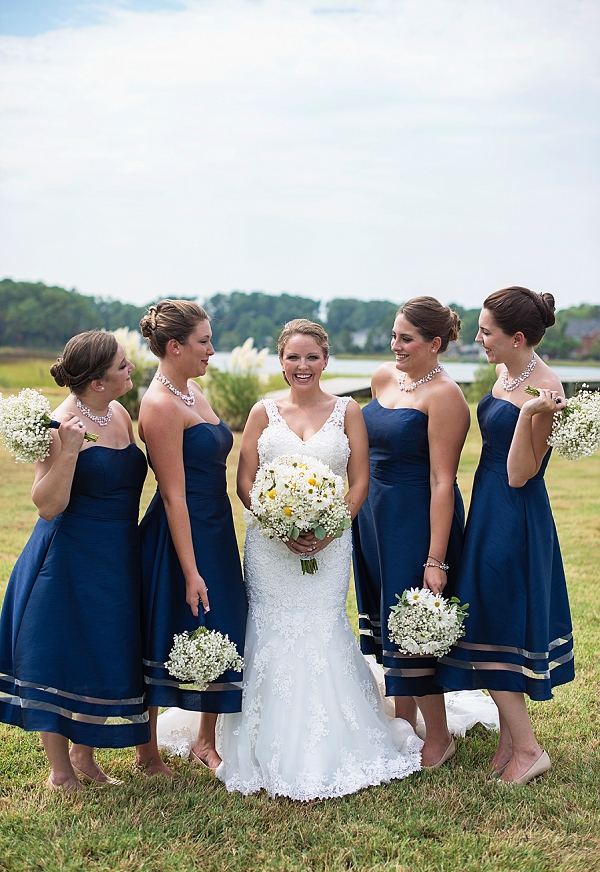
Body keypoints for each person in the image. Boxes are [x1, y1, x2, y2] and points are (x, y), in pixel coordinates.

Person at [212, 318, 422, 800]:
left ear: (325, 360)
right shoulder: (262, 411)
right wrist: (276, 522)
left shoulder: (348, 411)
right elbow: (245, 480)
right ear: (280, 360)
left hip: (331, 544)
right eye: (293, 357)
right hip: (270, 545)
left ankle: (337, 740)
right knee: (269, 625)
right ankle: (261, 738)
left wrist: (330, 527)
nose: (302, 366)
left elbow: (360, 481)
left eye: (311, 357)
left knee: (323, 623)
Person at [0, 331, 150, 791]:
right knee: (57, 651)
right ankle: (60, 771)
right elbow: (46, 504)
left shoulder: (119, 411)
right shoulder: (62, 421)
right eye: (122, 366)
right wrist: (66, 452)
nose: (130, 370)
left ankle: (84, 756)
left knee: (105, 647)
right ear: (97, 381)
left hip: (119, 551)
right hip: (70, 553)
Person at [436, 287, 574, 784]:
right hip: (490, 504)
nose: (478, 339)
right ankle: (510, 742)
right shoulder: (506, 372)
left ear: (516, 337)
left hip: (515, 513)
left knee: (492, 622)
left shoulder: (545, 389)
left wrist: (531, 416)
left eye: (486, 331)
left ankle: (531, 750)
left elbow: (521, 473)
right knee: (490, 615)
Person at [353, 297, 471, 767]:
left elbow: (444, 480)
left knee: (413, 624)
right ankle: (405, 724)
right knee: (387, 621)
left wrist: (435, 559)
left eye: (406, 338)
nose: (394, 345)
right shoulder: (384, 377)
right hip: (374, 516)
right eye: (394, 335)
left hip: (417, 518)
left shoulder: (446, 396)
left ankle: (438, 737)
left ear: (435, 344)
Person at [135, 300, 247, 776]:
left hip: (216, 526)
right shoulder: (159, 404)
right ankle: (147, 753)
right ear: (175, 346)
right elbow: (174, 494)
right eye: (203, 342)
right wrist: (190, 569)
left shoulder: (191, 391)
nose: (212, 350)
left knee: (223, 622)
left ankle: (206, 739)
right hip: (180, 533)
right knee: (166, 628)